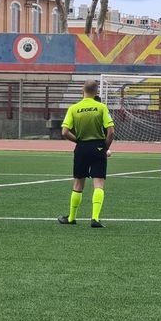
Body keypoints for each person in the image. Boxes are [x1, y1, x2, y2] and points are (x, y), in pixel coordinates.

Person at [58, 80, 115, 228]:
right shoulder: (101, 107)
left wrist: (77, 140)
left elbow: (64, 132)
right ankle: (95, 218)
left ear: (82, 90)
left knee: (78, 183)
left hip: (81, 147)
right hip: (98, 147)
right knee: (99, 183)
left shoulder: (73, 108)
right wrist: (104, 147)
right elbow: (111, 131)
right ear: (96, 92)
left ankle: (71, 217)